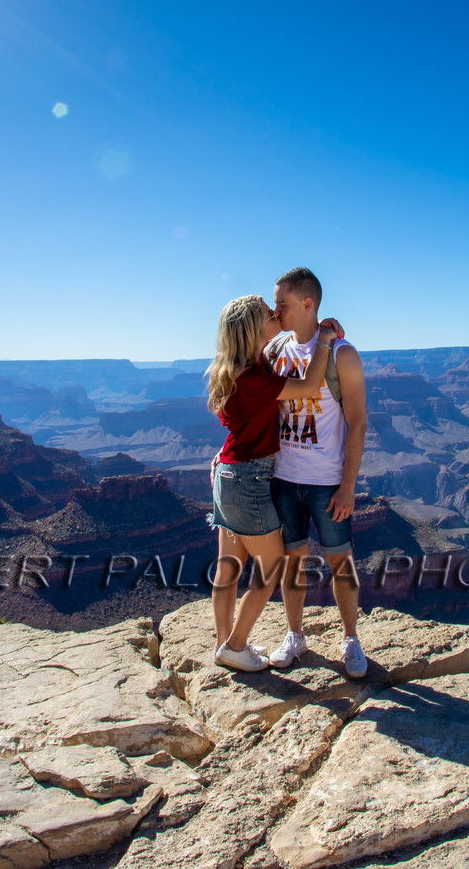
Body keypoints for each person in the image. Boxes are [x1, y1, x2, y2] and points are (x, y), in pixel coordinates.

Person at [205, 294, 339, 672]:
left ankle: (223, 645)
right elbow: (311, 386)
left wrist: (309, 325)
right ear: (254, 328)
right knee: (272, 567)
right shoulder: (254, 378)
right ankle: (235, 645)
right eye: (269, 314)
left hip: (227, 474)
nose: (276, 314)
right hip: (248, 478)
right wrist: (326, 343)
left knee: (228, 566)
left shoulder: (237, 368)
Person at [263, 267, 369, 678]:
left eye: (283, 303)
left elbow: (357, 422)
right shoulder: (275, 350)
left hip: (327, 482)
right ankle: (295, 635)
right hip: (284, 479)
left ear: (308, 304)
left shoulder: (343, 354)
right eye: (275, 304)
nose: (277, 311)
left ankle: (350, 639)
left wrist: (348, 486)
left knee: (341, 562)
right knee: (292, 563)